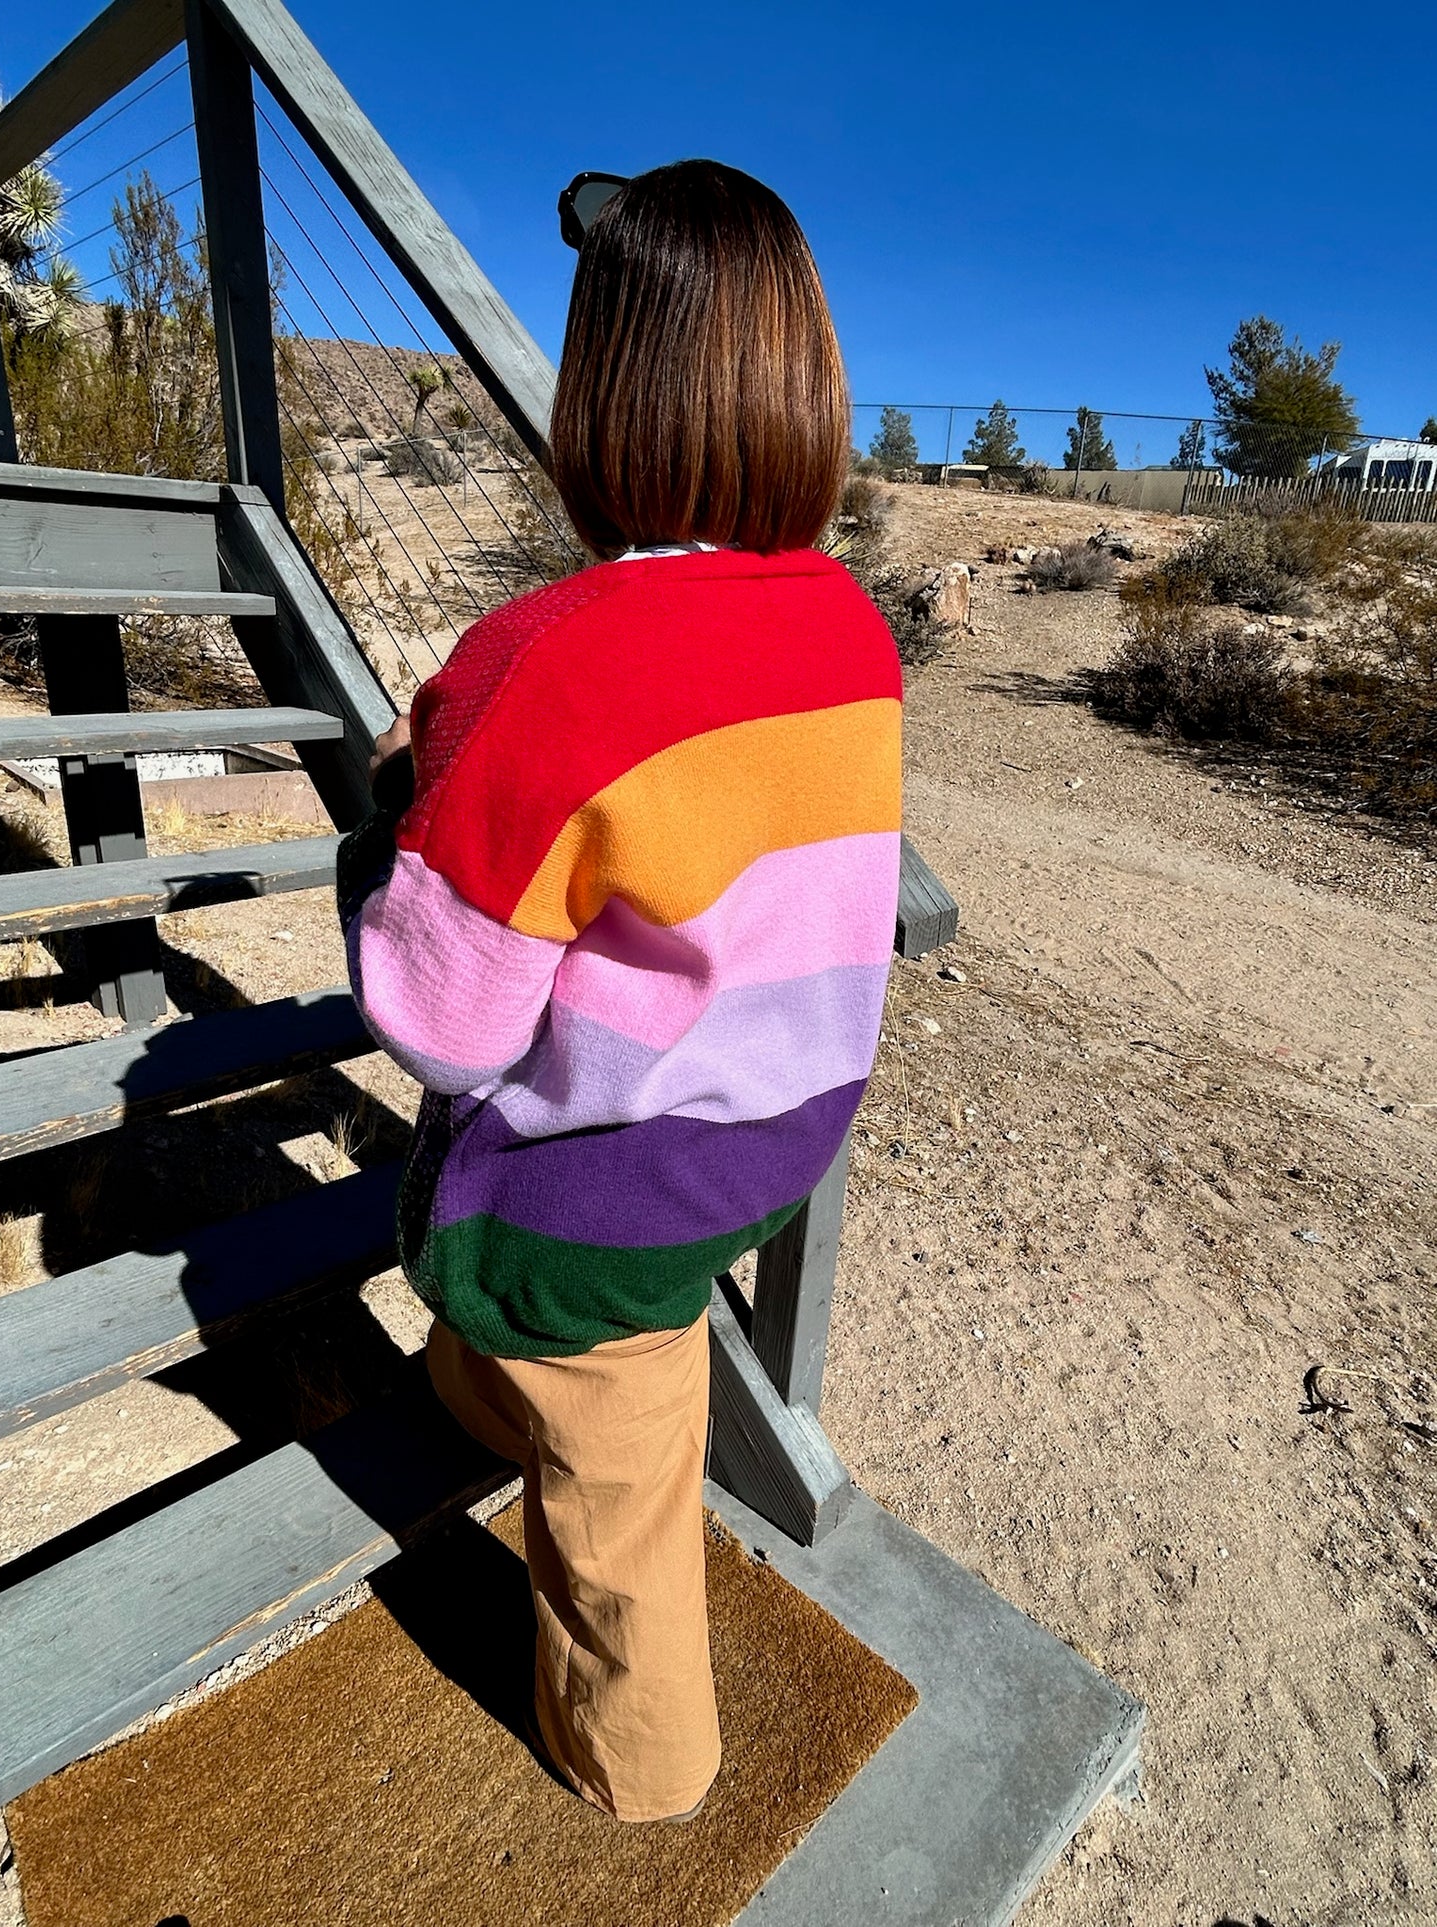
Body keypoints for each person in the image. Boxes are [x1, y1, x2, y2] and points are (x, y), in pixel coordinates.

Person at [336, 158, 902, 1824]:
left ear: (602, 391)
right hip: (766, 1143)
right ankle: (475, 1398)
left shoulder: (544, 659)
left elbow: (441, 1020)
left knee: (620, 1489)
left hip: (607, 1198)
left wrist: (392, 841)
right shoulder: (847, 632)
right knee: (548, 1350)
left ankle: (644, 1771)